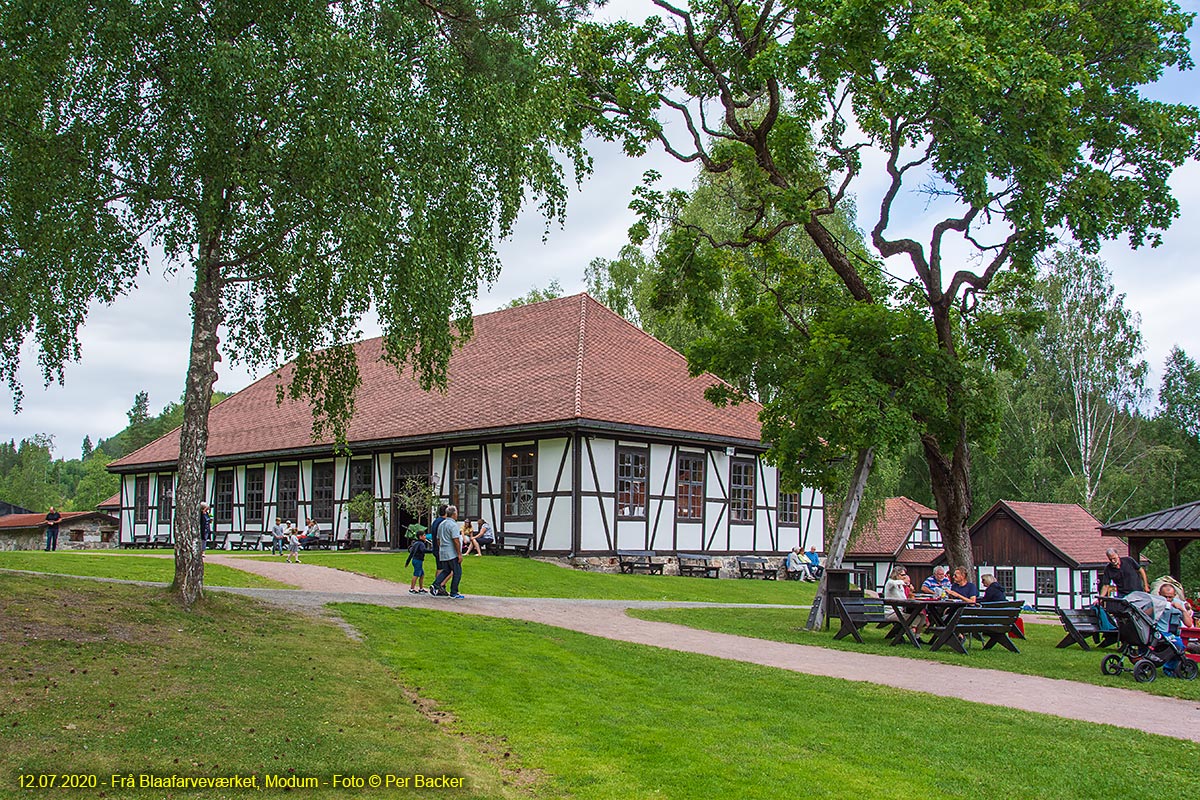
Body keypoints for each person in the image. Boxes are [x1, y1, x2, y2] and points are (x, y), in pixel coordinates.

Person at [430, 504, 464, 599]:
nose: (457, 515)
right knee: (457, 572)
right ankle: (454, 592)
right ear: (453, 514)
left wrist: (442, 547)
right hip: (451, 552)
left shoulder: (442, 524)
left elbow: (438, 539)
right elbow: (456, 541)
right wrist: (459, 554)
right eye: (456, 513)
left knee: (446, 570)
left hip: (443, 551)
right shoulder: (453, 525)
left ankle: (436, 584)